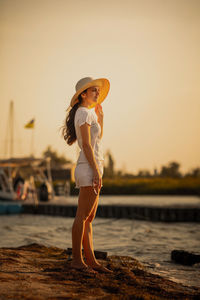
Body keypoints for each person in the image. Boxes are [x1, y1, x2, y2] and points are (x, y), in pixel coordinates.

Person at [62, 77, 112, 274]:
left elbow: (96, 140)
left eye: (98, 90)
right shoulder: (82, 113)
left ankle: (91, 261)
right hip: (88, 168)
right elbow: (86, 145)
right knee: (82, 216)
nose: (97, 93)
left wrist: (100, 119)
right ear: (83, 94)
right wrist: (96, 171)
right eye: (93, 90)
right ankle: (77, 260)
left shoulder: (88, 113)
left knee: (88, 218)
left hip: (93, 166)